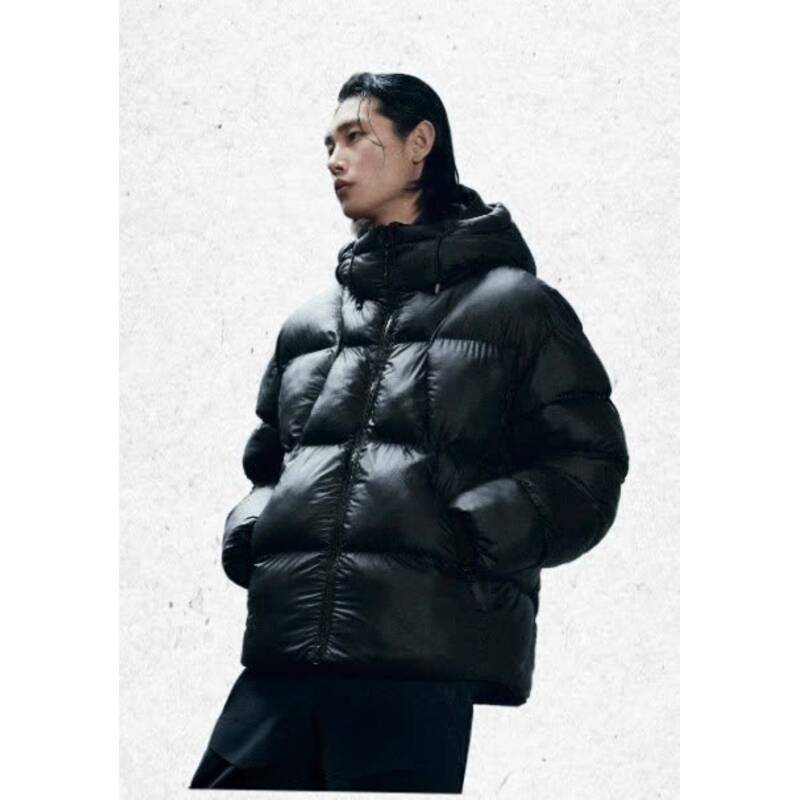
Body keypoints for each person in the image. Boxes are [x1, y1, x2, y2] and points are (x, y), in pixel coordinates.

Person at [189, 71, 629, 793]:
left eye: (355, 137)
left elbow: (589, 463)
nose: (335, 160)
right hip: (283, 661)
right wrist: (256, 531)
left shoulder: (516, 308)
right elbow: (268, 467)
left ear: (420, 143)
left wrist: (473, 529)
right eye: (328, 144)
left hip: (415, 661)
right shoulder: (310, 325)